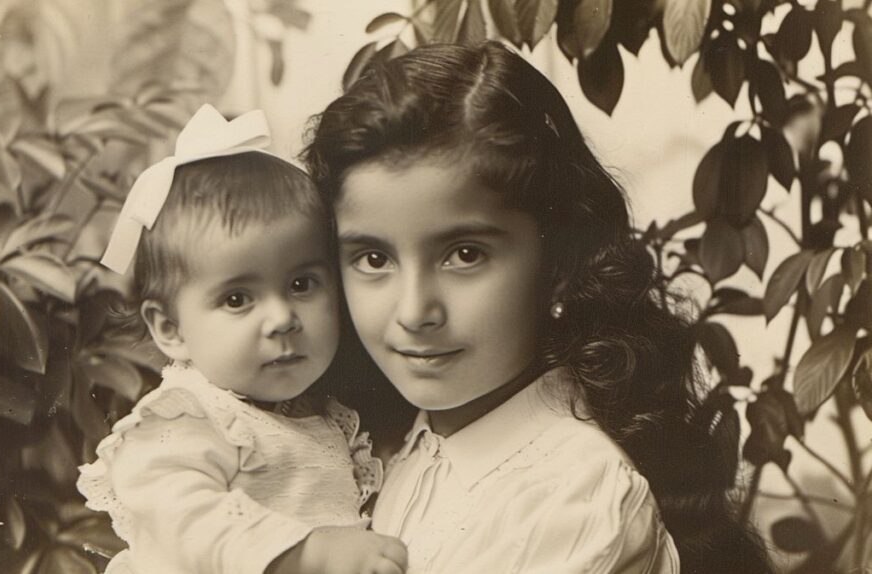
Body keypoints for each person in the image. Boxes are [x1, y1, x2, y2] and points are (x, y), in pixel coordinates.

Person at [303, 41, 771, 574]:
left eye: (464, 255)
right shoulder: (392, 441)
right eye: (372, 258)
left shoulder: (577, 499)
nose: (414, 311)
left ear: (561, 264)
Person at [77, 104, 407, 574]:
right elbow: (182, 516)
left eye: (301, 285)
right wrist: (304, 552)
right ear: (171, 329)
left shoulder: (320, 414)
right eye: (237, 299)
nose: (281, 319)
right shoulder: (187, 416)